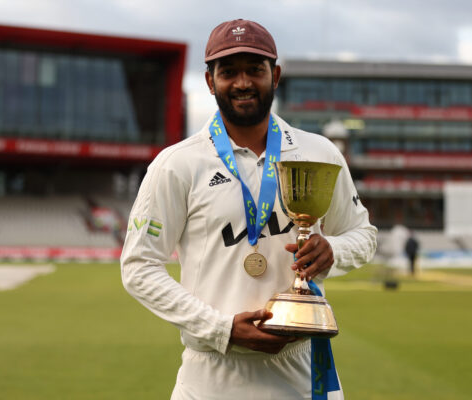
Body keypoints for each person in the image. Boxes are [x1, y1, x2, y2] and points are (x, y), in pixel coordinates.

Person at [121, 19, 377, 400]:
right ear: (210, 81)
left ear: (274, 75)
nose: (242, 83)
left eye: (255, 70)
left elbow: (364, 235)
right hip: (211, 375)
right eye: (229, 72)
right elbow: (139, 266)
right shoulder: (177, 163)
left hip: (301, 369)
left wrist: (332, 251)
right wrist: (220, 328)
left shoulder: (318, 152)